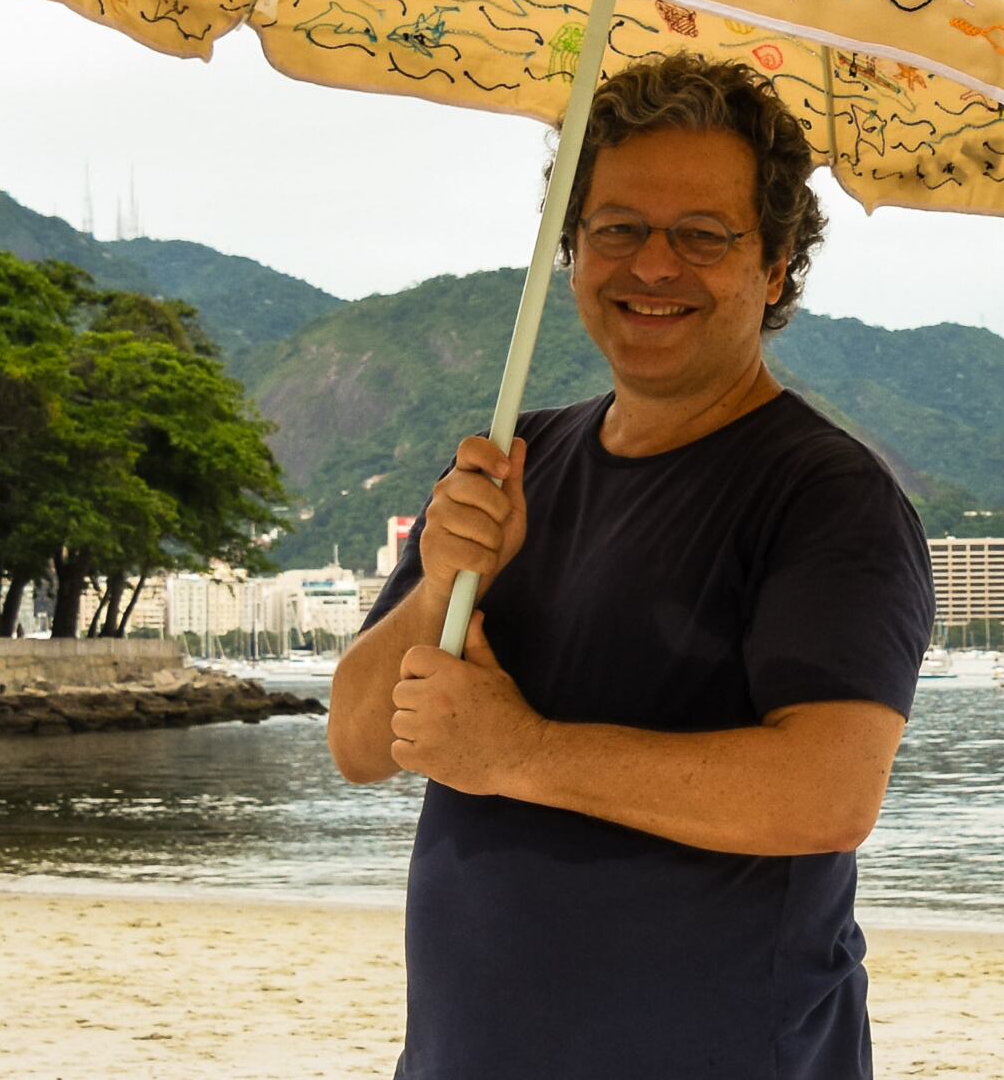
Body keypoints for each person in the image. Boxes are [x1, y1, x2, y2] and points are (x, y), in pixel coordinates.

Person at [327, 55, 934, 1080]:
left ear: (775, 266)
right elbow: (356, 736)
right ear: (571, 248)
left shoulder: (827, 497)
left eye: (702, 235)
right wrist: (439, 581)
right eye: (617, 228)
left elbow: (828, 791)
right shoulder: (510, 466)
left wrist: (518, 751)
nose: (652, 265)